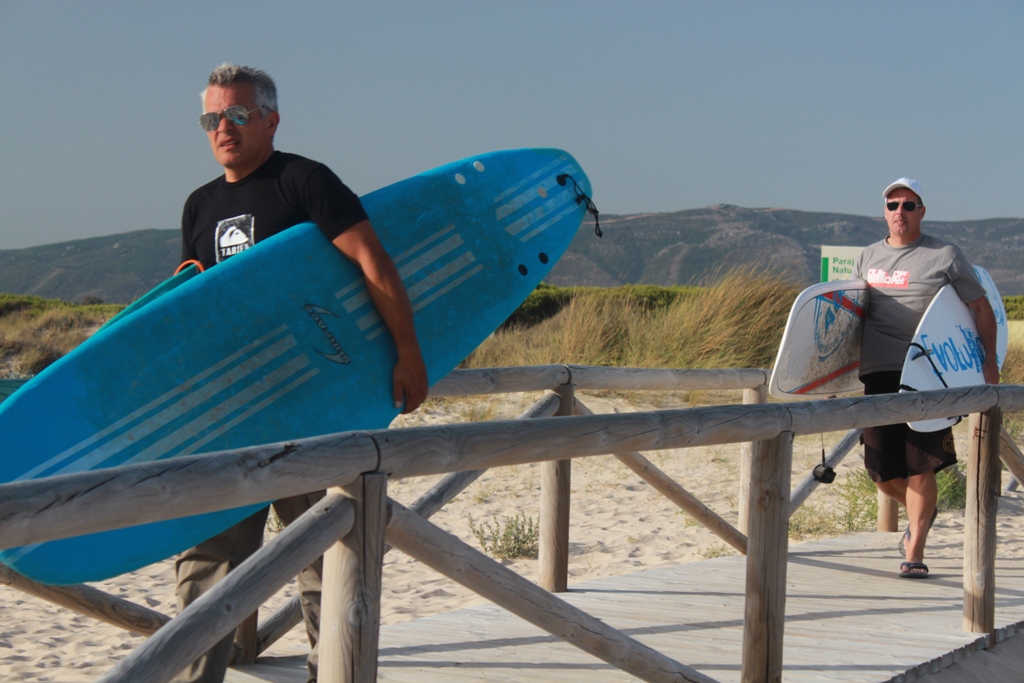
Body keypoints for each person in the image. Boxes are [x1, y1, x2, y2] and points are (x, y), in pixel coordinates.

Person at [174, 63, 428, 683]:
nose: (223, 128)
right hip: (231, 409)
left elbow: (371, 262)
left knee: (326, 552)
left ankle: (331, 672)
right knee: (207, 559)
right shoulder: (199, 205)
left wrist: (408, 352)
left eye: (237, 114)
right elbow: (190, 302)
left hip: (309, 403)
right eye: (212, 118)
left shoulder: (304, 181)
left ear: (271, 120)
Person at [851, 177, 998, 580]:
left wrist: (988, 361)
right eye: (893, 205)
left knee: (921, 464)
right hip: (878, 373)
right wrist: (835, 379)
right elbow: (850, 318)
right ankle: (922, 513)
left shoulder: (944, 255)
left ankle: (914, 549)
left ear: (922, 211)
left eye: (908, 205)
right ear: (885, 212)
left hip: (928, 372)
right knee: (882, 472)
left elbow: (980, 307)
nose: (900, 211)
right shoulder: (867, 257)